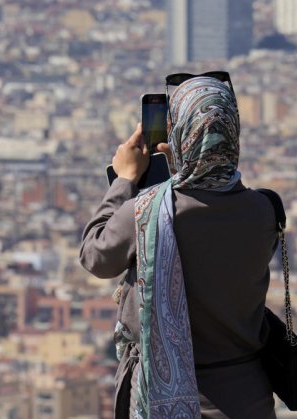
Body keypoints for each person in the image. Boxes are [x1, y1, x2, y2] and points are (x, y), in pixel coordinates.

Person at [80, 75, 278, 418]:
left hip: (162, 397)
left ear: (179, 137)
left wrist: (125, 181)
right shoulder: (263, 210)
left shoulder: (145, 214)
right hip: (248, 396)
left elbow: (96, 256)